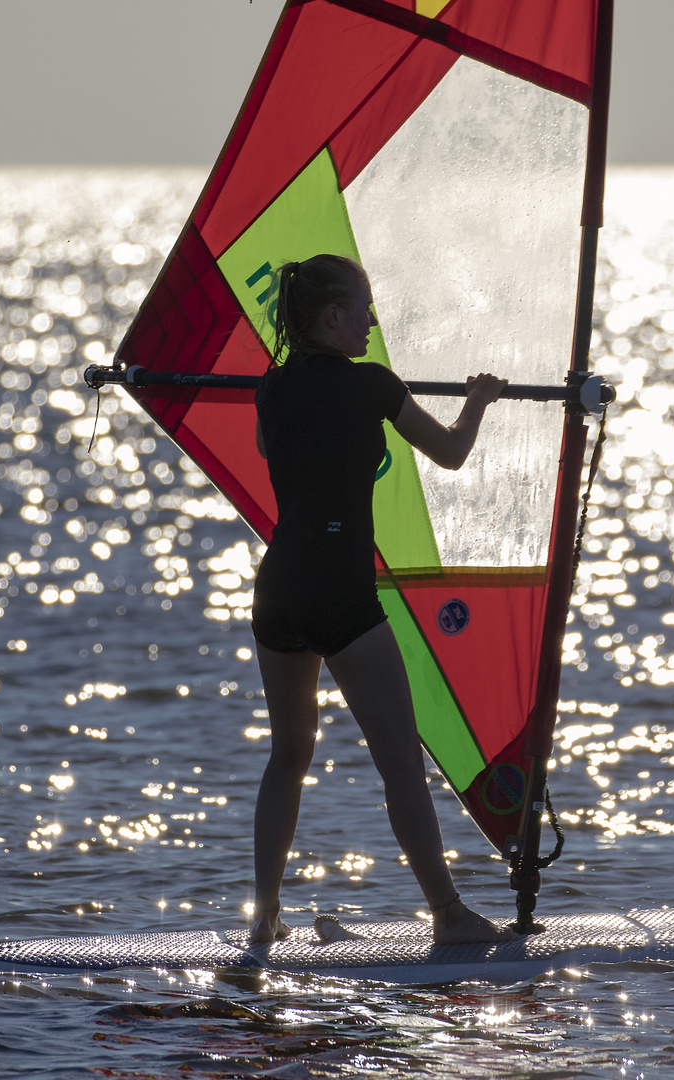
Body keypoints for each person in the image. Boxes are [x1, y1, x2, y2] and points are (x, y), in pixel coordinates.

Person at [248, 253, 514, 945]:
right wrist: (479, 399)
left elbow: (269, 449)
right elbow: (452, 453)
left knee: (288, 755)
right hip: (340, 591)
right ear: (333, 316)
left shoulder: (269, 391)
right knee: (400, 762)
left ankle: (265, 918)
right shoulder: (373, 386)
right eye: (362, 308)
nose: (372, 319)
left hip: (278, 589)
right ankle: (450, 916)